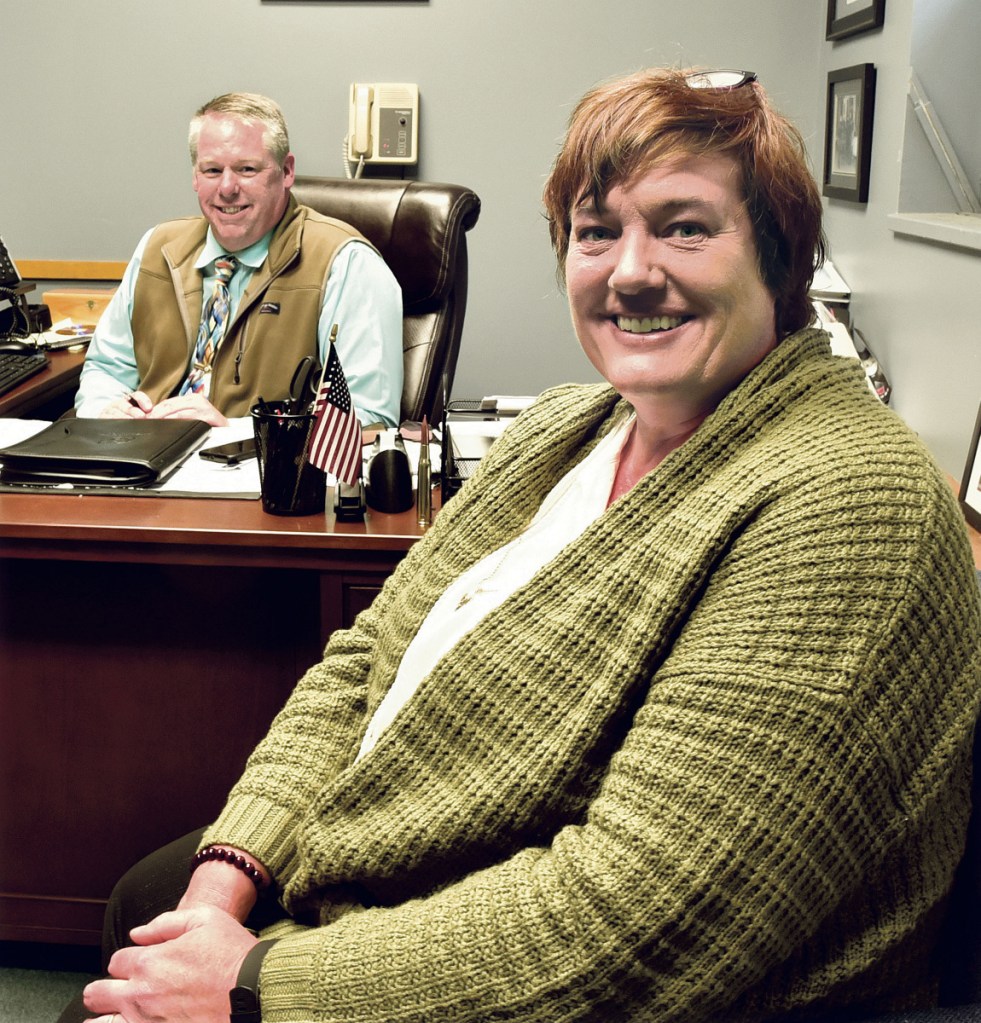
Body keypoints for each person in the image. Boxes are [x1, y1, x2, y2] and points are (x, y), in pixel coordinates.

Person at [65, 68, 980, 1023]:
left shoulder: (844, 497)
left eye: (684, 227)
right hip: (384, 865)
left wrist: (256, 981)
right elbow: (361, 663)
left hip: (578, 975)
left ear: (780, 262)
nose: (630, 270)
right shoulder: (563, 428)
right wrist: (223, 883)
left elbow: (638, 919)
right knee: (151, 907)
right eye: (596, 231)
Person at [73, 92, 402, 429]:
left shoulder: (346, 264)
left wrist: (228, 432)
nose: (227, 188)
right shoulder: (157, 248)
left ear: (287, 171)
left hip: (256, 459)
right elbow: (106, 369)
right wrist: (106, 411)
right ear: (195, 176)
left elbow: (368, 419)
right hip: (144, 450)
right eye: (212, 170)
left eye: (246, 169)